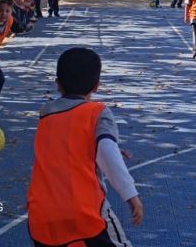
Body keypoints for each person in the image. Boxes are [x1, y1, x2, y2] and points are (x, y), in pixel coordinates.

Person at [27, 47, 143, 247]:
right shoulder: (97, 112)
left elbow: (65, 148)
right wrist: (130, 194)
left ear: (58, 85)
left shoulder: (45, 114)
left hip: (41, 214)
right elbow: (106, 149)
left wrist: (99, 149)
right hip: (84, 212)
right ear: (97, 85)